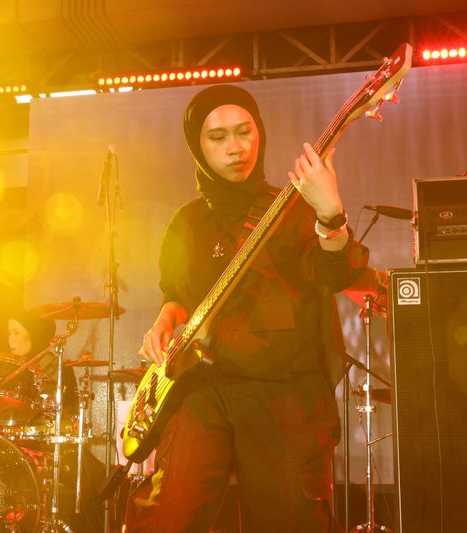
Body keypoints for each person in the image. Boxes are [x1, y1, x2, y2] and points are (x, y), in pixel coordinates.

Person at [125, 85, 369, 532]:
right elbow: (178, 294)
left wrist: (330, 213)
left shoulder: (294, 208)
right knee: (166, 516)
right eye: (217, 138)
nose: (236, 148)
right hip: (203, 387)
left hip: (281, 391)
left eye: (244, 132)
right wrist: (165, 320)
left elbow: (334, 275)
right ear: (196, 147)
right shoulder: (186, 221)